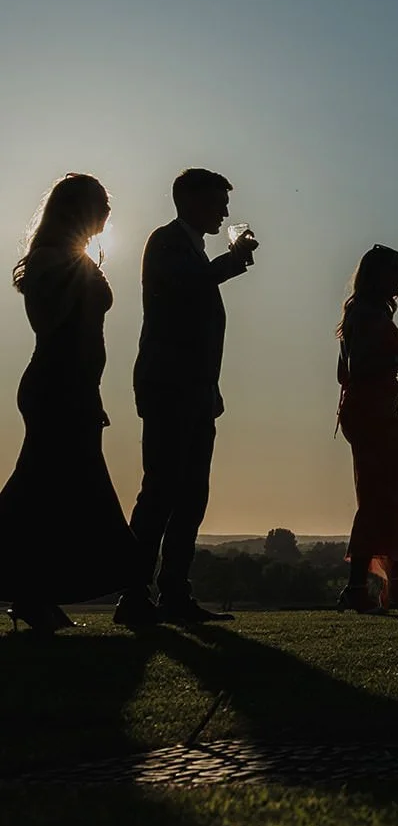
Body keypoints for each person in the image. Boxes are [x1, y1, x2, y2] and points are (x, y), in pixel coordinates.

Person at [117, 168, 258, 626]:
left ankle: (174, 593)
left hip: (194, 390)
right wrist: (233, 260)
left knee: (191, 495)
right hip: (169, 387)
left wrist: (210, 388)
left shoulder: (189, 247)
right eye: (219, 203)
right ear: (191, 201)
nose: (225, 213)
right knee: (161, 491)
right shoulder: (166, 243)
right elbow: (188, 286)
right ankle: (134, 594)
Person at [0, 175, 138, 631]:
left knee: (54, 494)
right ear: (76, 209)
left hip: (76, 386)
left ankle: (35, 594)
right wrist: (80, 277)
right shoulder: (48, 259)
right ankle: (32, 594)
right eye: (100, 204)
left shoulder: (74, 258)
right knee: (43, 489)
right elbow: (51, 323)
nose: (108, 213)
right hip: (56, 385)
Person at [335, 245, 398, 613]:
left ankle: (389, 586)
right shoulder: (364, 313)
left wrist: (397, 363)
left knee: (397, 496)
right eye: (396, 273)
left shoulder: (365, 311)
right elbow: (357, 368)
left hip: (377, 412)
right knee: (384, 498)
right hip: (370, 415)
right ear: (379, 276)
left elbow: (351, 368)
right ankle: (363, 588)